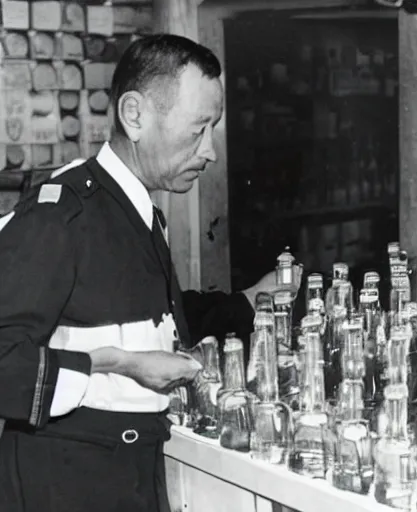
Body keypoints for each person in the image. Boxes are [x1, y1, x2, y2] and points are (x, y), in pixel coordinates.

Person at [0, 34, 287, 512]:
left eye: (212, 129)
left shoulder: (137, 211)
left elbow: (153, 315)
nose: (210, 150)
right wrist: (118, 363)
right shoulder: (61, 215)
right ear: (134, 115)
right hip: (64, 487)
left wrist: (249, 301)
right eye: (198, 129)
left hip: (127, 473)